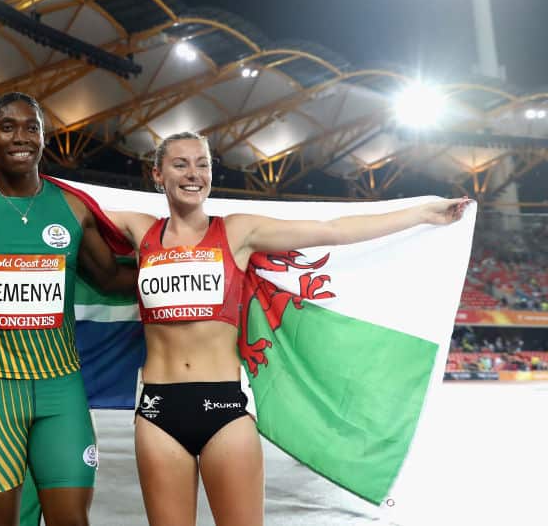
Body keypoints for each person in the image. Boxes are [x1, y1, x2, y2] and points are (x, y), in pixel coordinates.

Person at [104, 132, 471, 526]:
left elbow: (332, 229)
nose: (194, 174)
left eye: (203, 164)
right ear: (157, 173)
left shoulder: (237, 232)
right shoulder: (141, 231)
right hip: (158, 411)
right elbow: (62, 211)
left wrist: (421, 214)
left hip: (224, 411)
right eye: (180, 164)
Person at [0, 93, 130, 526]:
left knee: (71, 520)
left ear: (43, 137)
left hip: (61, 392)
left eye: (31, 127)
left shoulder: (72, 208)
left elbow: (110, 279)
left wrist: (179, 272)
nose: (21, 137)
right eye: (8, 127)